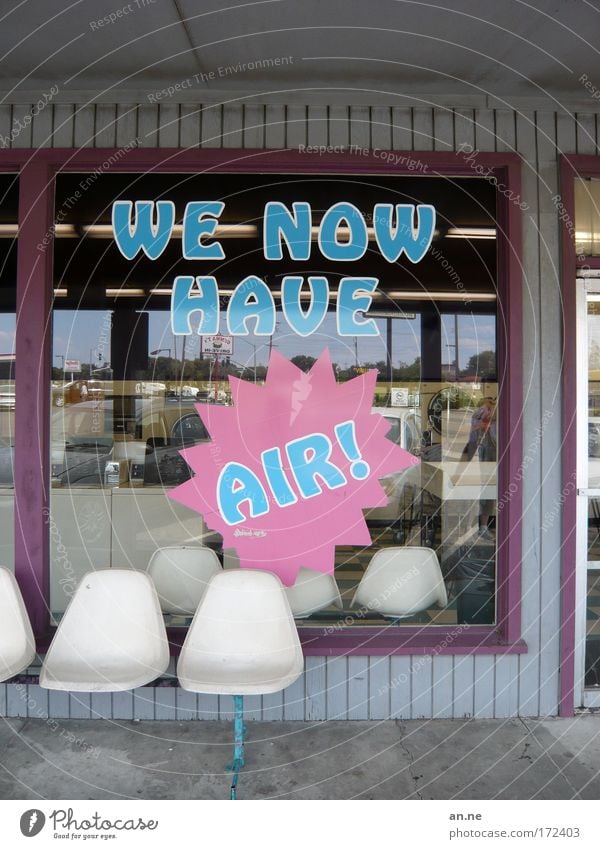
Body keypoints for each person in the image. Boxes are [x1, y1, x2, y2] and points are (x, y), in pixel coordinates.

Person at [467, 395, 497, 540]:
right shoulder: (477, 423)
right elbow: (471, 441)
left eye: (491, 407)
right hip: (479, 464)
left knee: (489, 494)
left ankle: (484, 526)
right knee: (478, 493)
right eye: (486, 408)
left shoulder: (497, 424)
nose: (488, 411)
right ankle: (475, 527)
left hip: (494, 464)